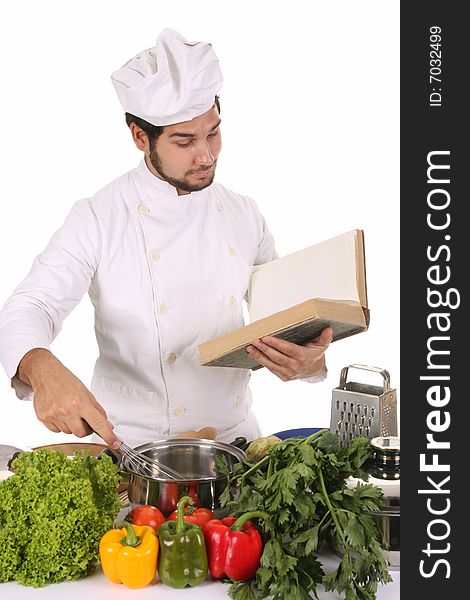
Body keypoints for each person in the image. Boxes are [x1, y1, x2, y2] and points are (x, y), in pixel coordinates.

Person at [0, 29, 332, 449]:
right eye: (184, 141)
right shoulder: (99, 217)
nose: (206, 156)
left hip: (238, 446)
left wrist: (308, 361)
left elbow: (282, 318)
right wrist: (39, 366)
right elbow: (31, 305)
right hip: (135, 454)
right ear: (141, 137)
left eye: (213, 133)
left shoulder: (243, 213)